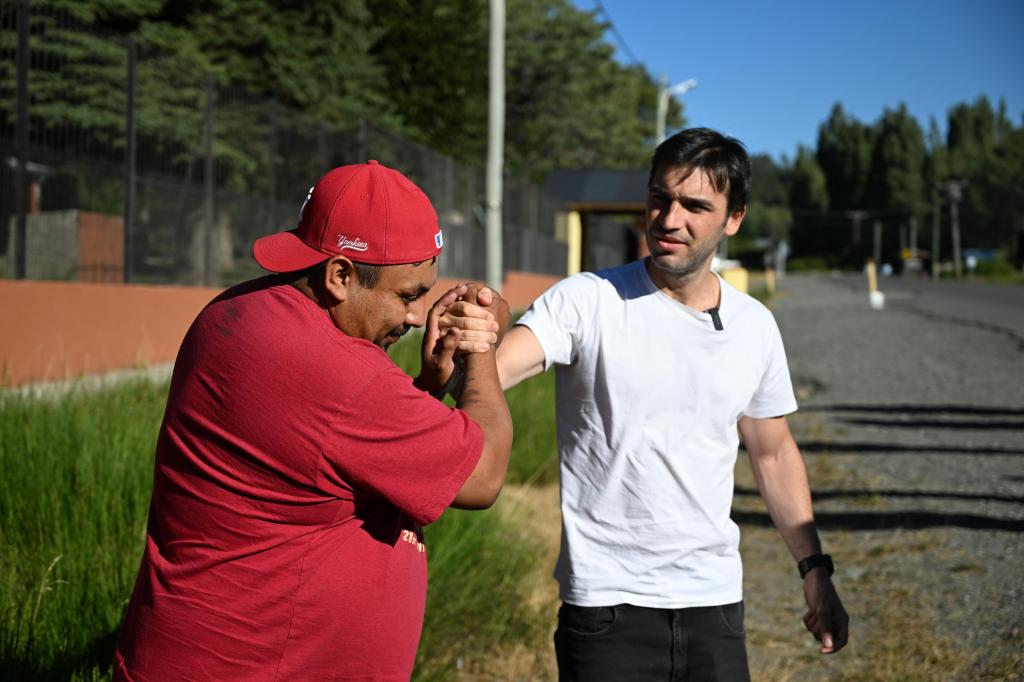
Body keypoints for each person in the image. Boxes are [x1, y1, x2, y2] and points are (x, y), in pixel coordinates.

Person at [456, 128, 849, 680]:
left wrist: (814, 570)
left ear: (733, 218)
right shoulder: (587, 300)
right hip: (606, 608)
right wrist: (468, 346)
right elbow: (491, 374)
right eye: (660, 198)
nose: (669, 218)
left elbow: (773, 452)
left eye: (694, 206)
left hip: (714, 605)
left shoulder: (754, 326)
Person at [113, 160, 512, 681]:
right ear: (340, 275)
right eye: (408, 295)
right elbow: (482, 476)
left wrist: (428, 387)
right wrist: (479, 344)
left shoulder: (241, 309)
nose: (417, 317)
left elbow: (319, 455)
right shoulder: (338, 373)